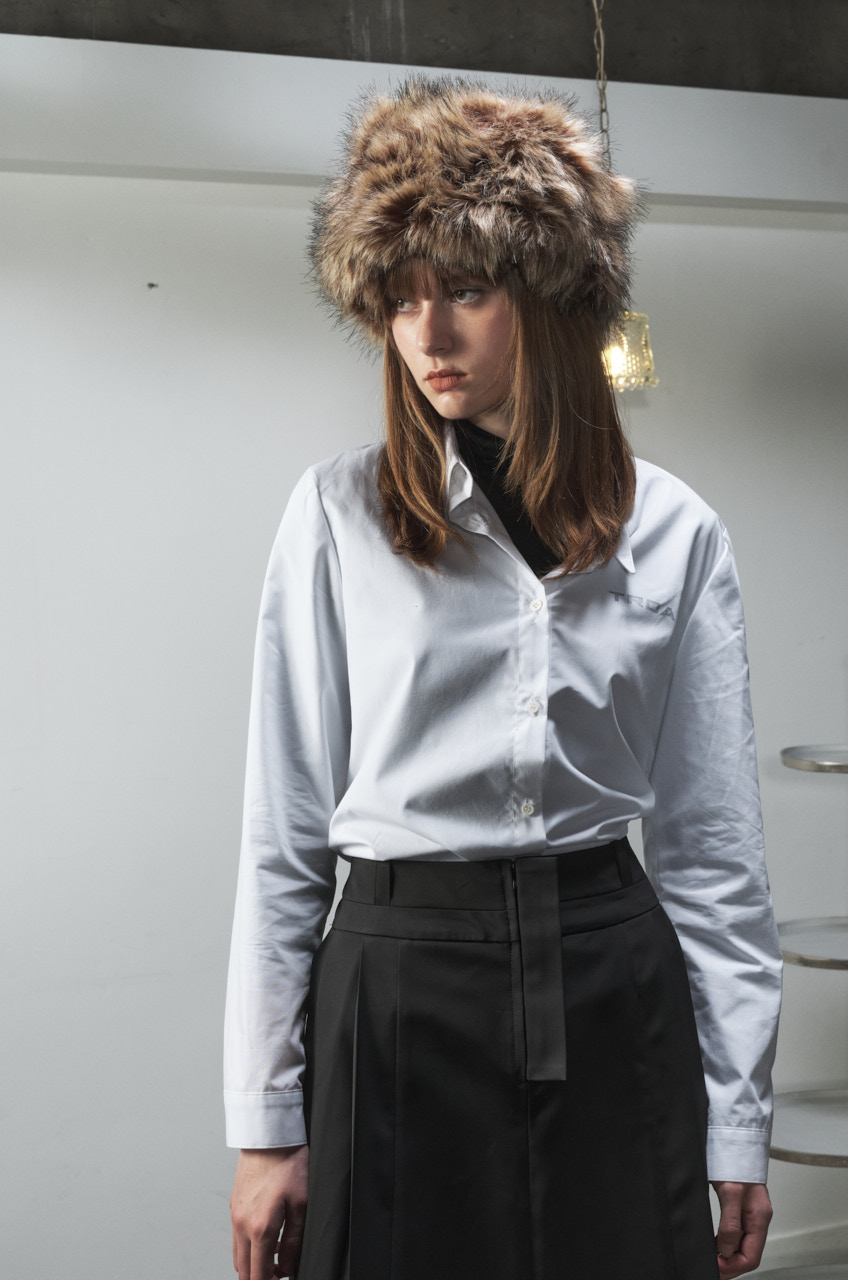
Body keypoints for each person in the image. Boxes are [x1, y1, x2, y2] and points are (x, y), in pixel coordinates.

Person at [225, 77, 782, 1280]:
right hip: (397, 990)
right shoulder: (336, 516)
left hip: (610, 980)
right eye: (401, 298)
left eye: (467, 290)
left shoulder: (675, 531)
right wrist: (267, 1124)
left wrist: (738, 1118)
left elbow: (712, 849)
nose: (429, 333)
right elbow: (283, 837)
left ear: (549, 297)